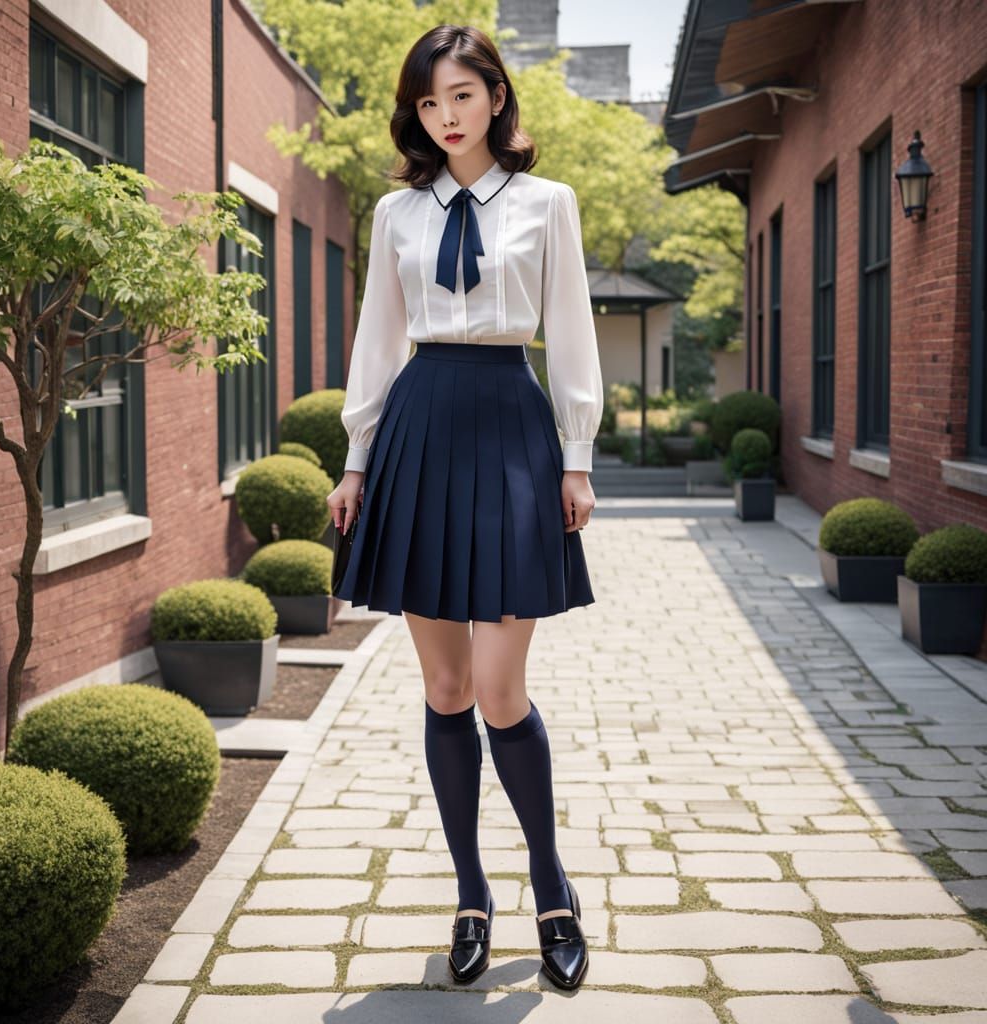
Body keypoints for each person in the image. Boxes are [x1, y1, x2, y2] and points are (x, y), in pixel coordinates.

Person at [326, 23, 603, 991]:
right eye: (428, 101)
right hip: (419, 426)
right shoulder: (396, 213)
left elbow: (570, 330)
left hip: (513, 427)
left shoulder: (547, 203)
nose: (445, 116)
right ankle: (471, 893)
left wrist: (576, 456)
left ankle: (551, 885)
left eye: (462, 95)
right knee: (444, 689)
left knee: (498, 690)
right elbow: (377, 336)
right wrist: (356, 459)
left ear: (495, 97)